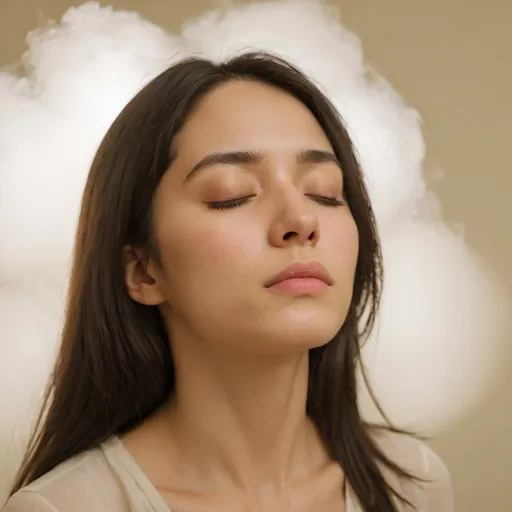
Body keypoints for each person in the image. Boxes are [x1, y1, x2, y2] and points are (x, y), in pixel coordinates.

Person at [2, 52, 453, 512]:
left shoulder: (412, 485)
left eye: (325, 192)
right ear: (142, 269)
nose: (300, 218)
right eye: (231, 196)